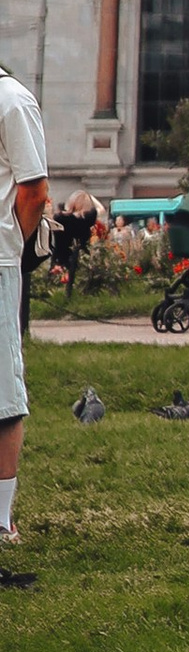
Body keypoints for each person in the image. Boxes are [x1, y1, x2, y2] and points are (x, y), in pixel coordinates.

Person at [0, 61, 48, 577]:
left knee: (3, 394)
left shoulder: (11, 100)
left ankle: (2, 518)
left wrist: (15, 245)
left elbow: (34, 189)